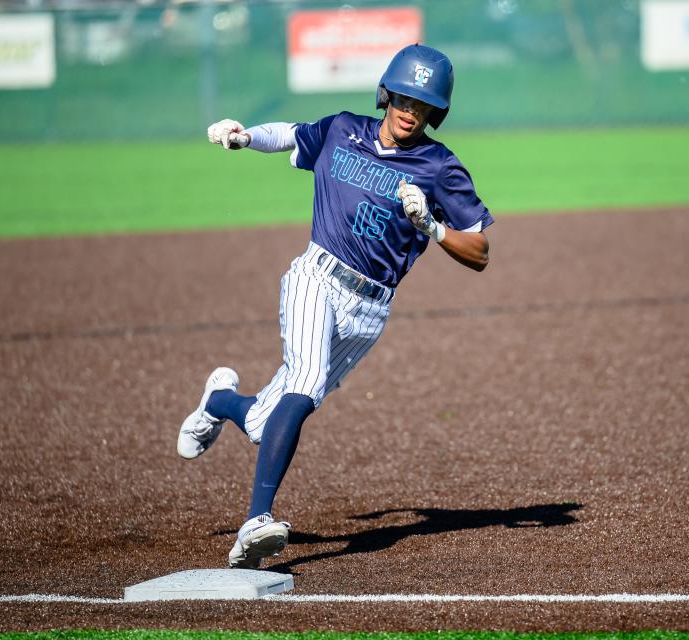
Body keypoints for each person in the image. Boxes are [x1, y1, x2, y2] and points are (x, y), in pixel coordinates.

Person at [177, 44, 493, 570]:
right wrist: (245, 136)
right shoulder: (344, 129)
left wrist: (433, 228)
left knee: (264, 423)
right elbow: (294, 135)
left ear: (436, 112)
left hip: (370, 311)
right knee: (303, 382)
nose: (410, 111)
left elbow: (479, 251)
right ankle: (256, 519)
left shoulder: (439, 167)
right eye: (404, 98)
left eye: (423, 105)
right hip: (316, 277)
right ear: (386, 93)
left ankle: (219, 401)